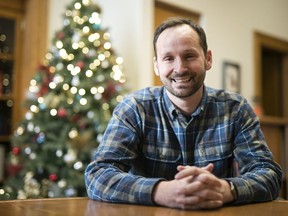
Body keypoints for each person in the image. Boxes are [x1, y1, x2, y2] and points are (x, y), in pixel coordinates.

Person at [84, 17, 282, 210]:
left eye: (189, 56)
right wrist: (161, 191)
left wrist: (224, 189)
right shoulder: (134, 108)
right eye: (168, 58)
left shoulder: (236, 109)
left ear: (208, 59)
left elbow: (269, 175)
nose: (180, 68)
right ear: (156, 65)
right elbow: (98, 175)